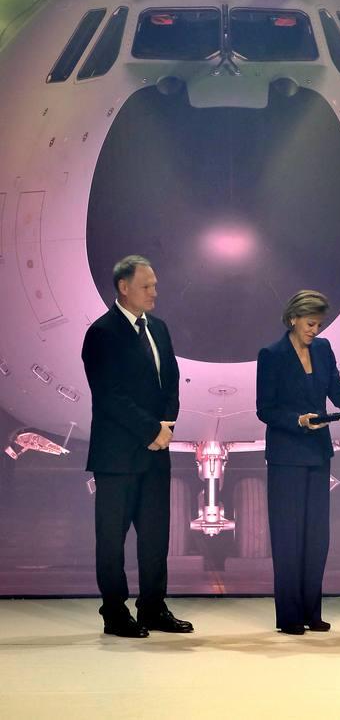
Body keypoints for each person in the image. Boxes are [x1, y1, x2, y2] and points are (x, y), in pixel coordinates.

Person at [82, 255, 193, 638]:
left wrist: (167, 425)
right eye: (147, 286)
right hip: (117, 457)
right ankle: (114, 612)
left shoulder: (159, 329)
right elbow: (109, 396)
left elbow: (172, 383)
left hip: (156, 452)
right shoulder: (102, 332)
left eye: (155, 285)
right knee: (111, 540)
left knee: (155, 537)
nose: (154, 292)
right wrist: (151, 429)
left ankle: (152, 607)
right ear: (123, 287)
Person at [256, 290, 340, 635]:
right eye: (311, 323)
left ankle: (312, 612)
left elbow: (338, 392)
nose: (315, 330)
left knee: (317, 537)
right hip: (286, 456)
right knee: (288, 537)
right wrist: (298, 420)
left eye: (319, 324)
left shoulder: (324, 349)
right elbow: (265, 409)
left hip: (317, 454)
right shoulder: (272, 355)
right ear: (293, 319)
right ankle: (289, 616)